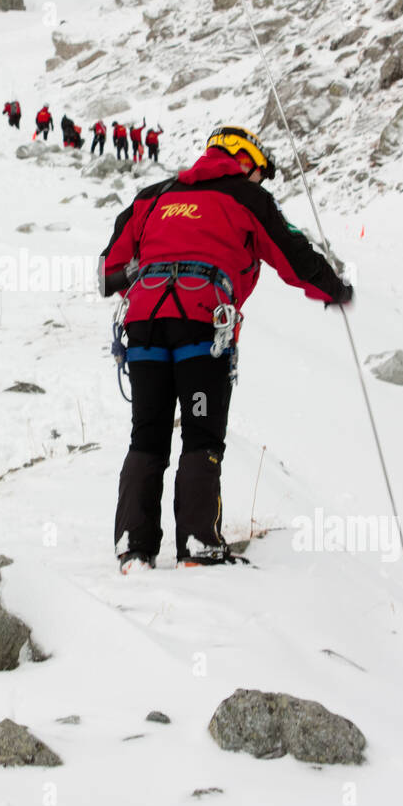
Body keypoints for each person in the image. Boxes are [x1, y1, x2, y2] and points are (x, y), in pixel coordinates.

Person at [99, 125, 353, 573]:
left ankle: (133, 548)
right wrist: (335, 289)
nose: (259, 181)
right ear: (244, 160)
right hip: (202, 327)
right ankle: (198, 547)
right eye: (258, 172)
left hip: (144, 327)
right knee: (200, 432)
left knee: (148, 435)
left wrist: (150, 283)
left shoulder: (151, 196)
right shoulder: (246, 197)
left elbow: (107, 274)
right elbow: (293, 255)